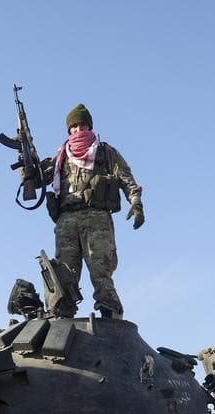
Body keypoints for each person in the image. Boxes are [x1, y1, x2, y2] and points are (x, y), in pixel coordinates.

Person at [42, 103, 143, 319]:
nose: (78, 130)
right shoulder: (60, 157)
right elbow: (38, 179)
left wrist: (136, 202)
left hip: (96, 217)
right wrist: (27, 167)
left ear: (90, 126)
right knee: (65, 273)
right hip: (67, 220)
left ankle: (111, 315)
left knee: (101, 271)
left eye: (82, 125)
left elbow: (126, 178)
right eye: (74, 126)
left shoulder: (105, 152)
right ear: (69, 130)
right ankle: (63, 319)